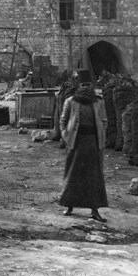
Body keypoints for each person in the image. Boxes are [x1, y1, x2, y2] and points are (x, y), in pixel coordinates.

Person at [59, 70, 108, 223]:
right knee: (74, 175)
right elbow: (63, 121)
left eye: (88, 84)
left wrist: (100, 134)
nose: (86, 87)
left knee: (94, 177)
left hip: (93, 143)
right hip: (76, 142)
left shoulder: (99, 101)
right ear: (79, 86)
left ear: (92, 85)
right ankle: (69, 206)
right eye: (83, 84)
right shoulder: (71, 101)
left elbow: (104, 121)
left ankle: (94, 210)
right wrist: (67, 137)